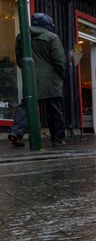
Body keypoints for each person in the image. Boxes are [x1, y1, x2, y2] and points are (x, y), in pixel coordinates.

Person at [9, 13, 66, 148]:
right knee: (54, 111)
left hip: (31, 78)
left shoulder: (21, 36)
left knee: (26, 106)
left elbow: (19, 57)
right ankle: (57, 139)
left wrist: (28, 71)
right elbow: (59, 61)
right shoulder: (52, 37)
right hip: (51, 80)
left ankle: (16, 132)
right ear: (46, 25)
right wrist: (61, 75)